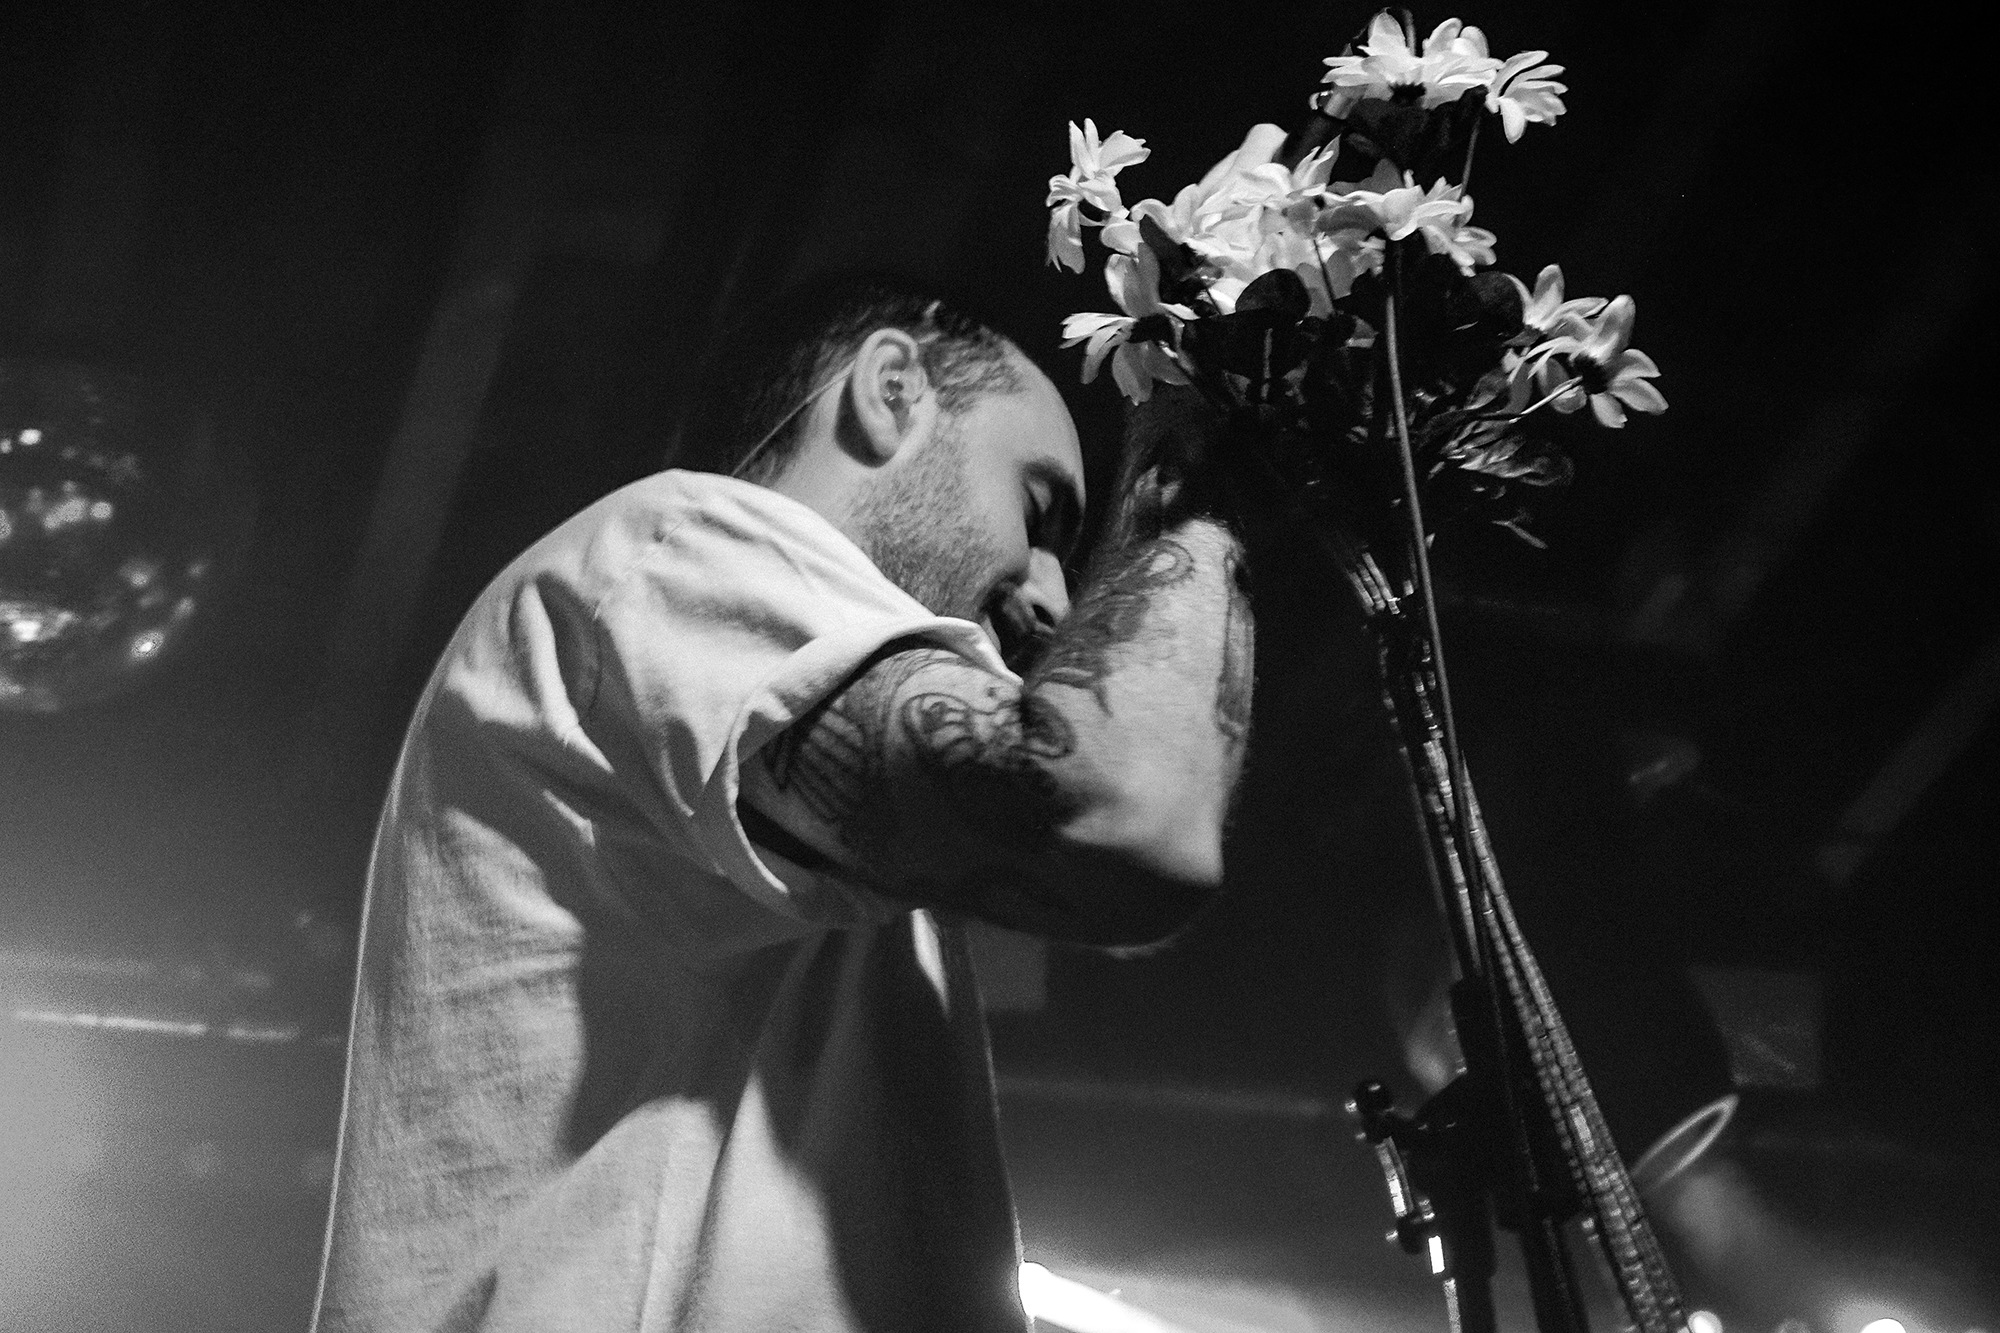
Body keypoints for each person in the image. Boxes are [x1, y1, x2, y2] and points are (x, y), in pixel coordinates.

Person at [310, 275, 1254, 1333]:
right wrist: (1189, 465)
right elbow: (1123, 811)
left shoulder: (766, 714)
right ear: (890, 390)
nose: (1053, 600)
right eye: (1038, 515)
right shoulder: (675, 547)